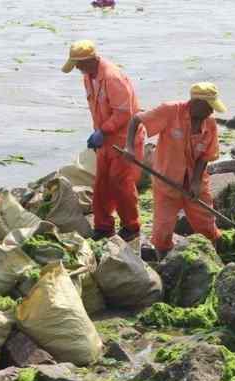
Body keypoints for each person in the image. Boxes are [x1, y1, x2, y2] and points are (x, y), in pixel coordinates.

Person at [124, 82, 226, 257]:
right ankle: (163, 261)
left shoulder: (209, 123)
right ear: (196, 103)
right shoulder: (170, 111)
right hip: (166, 182)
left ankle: (215, 257)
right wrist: (130, 147)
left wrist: (194, 182)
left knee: (206, 224)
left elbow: (205, 156)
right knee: (162, 229)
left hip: (196, 184)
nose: (212, 111)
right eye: (209, 107)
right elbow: (136, 119)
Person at [62, 39, 144, 241]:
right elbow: (98, 109)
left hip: (126, 139)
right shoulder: (89, 76)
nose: (78, 69)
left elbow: (125, 113)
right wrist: (99, 133)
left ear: (90, 60)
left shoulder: (112, 78)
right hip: (106, 139)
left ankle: (131, 227)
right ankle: (104, 227)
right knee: (102, 184)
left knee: (121, 184)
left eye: (79, 65)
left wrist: (103, 131)